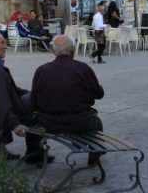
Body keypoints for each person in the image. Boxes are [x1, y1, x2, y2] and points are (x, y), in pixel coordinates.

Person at [0, 31, 51, 165]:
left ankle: (34, 152)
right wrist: (15, 125)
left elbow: (7, 92)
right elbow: (0, 103)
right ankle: (35, 153)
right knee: (38, 105)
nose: (6, 46)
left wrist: (27, 93)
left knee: (34, 97)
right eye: (2, 43)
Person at [31, 34, 104, 165]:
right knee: (96, 122)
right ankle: (94, 155)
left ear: (53, 50)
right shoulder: (83, 69)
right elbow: (98, 94)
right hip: (80, 122)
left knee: (33, 119)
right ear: (73, 50)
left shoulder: (41, 70)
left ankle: (37, 155)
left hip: (49, 122)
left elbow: (34, 101)